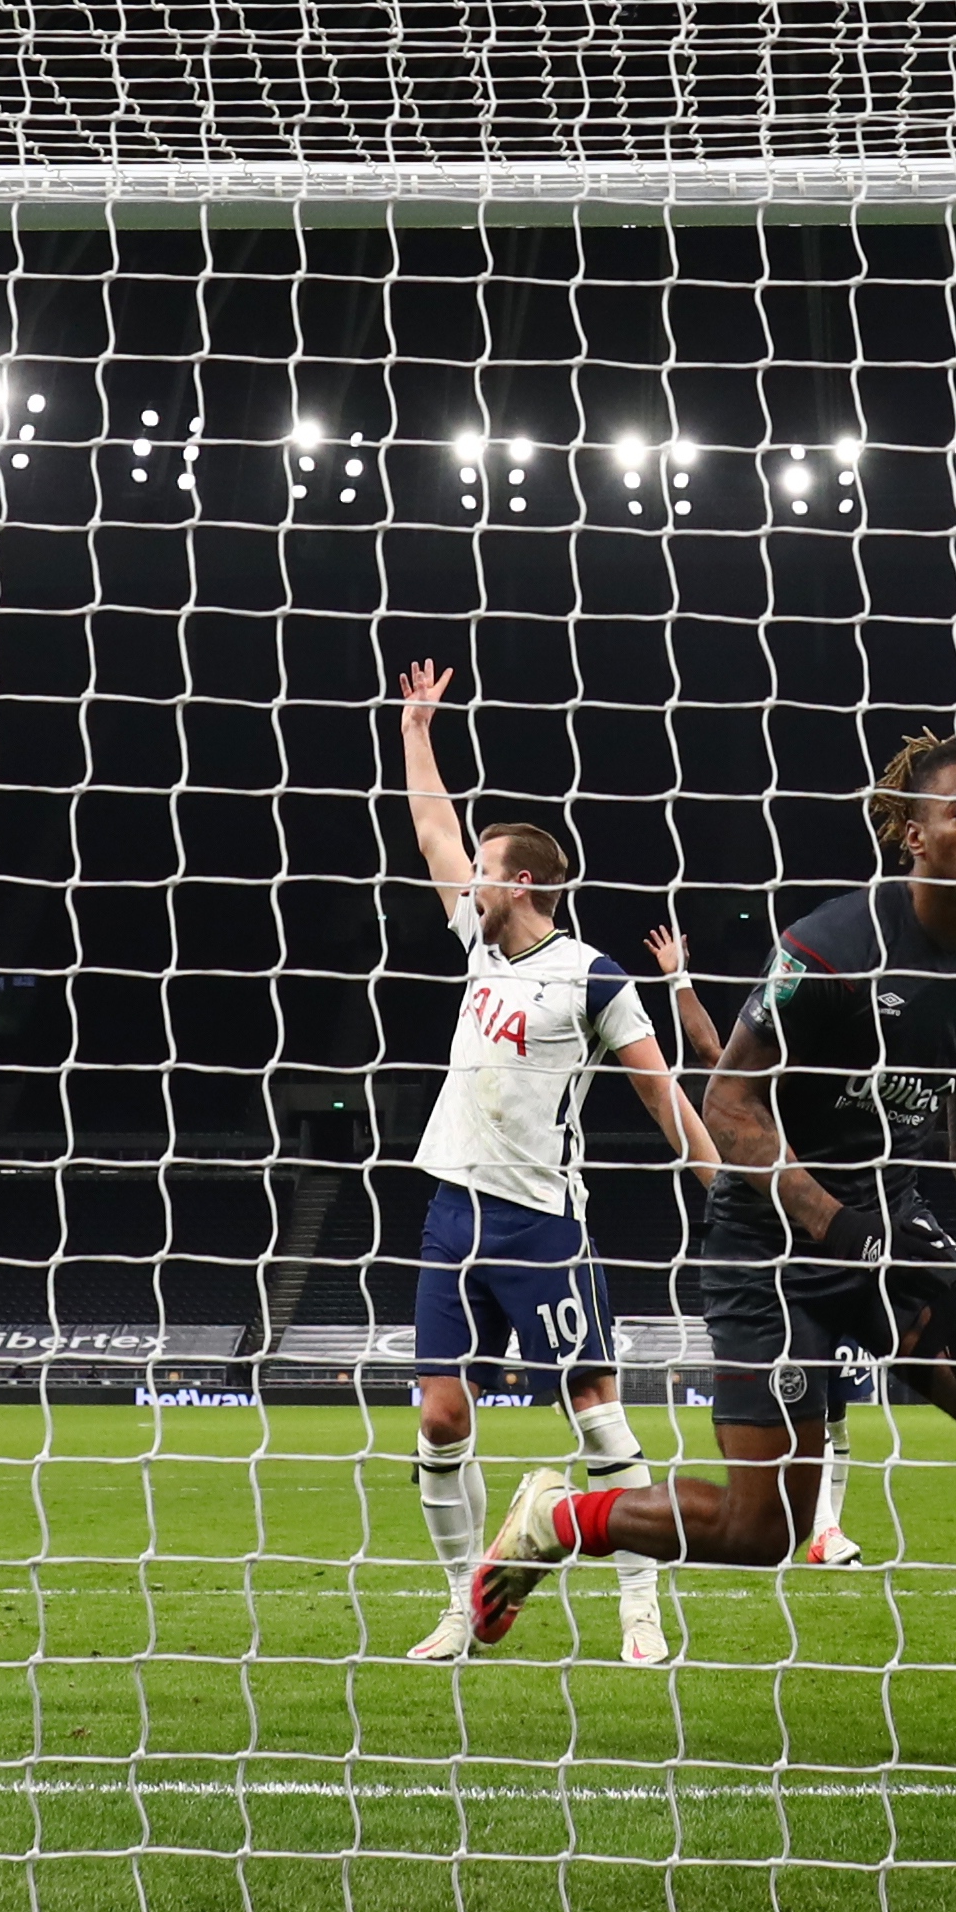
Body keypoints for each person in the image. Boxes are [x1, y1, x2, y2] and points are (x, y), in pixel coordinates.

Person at [466, 729, 956, 1778]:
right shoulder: (829, 947)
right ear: (908, 831)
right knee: (765, 1530)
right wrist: (824, 1218)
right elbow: (732, 1101)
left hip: (884, 1226)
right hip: (767, 1240)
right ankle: (558, 1519)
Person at [385, 662, 723, 1667]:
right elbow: (435, 830)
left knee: (600, 1423)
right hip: (454, 1215)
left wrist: (726, 1194)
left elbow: (663, 1094)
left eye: (485, 872)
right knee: (440, 1416)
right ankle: (466, 1605)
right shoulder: (480, 948)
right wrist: (416, 730)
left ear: (520, 882)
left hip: (544, 1228)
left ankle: (639, 1607)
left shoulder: (594, 977)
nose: (467, 881)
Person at [647, 922, 865, 1569]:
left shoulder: (822, 1114)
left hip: (825, 1256)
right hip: (761, 1272)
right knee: (791, 1413)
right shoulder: (747, 1119)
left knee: (837, 1412)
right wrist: (677, 976)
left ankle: (826, 1529)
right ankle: (809, 1523)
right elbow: (710, 1045)